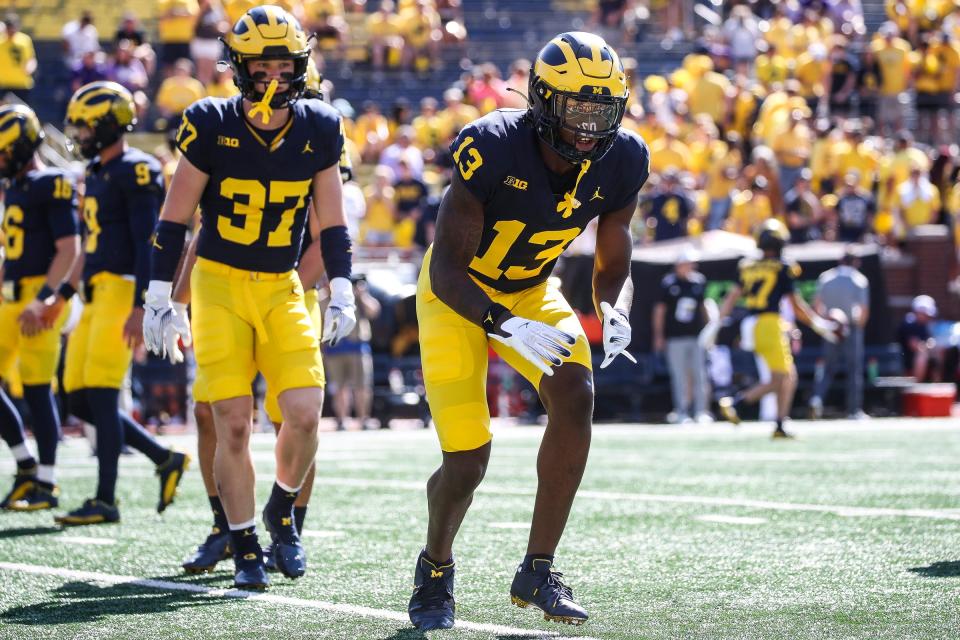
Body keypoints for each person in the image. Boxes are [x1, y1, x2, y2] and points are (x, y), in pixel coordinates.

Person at [408, 32, 648, 630]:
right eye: (576, 111)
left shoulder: (624, 159)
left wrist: (614, 305)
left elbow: (612, 261)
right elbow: (447, 270)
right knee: (467, 461)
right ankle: (435, 567)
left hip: (530, 287)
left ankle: (537, 569)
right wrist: (500, 322)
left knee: (576, 392)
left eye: (602, 111)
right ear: (541, 102)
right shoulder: (491, 145)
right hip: (458, 295)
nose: (590, 128)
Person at [141, 6, 355, 590]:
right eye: (262, 66)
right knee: (230, 421)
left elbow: (332, 223)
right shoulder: (210, 122)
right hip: (219, 283)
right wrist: (162, 293)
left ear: (301, 66)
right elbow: (176, 218)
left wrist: (342, 285)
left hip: (284, 283)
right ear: (239, 67)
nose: (274, 78)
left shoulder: (318, 126)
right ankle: (242, 545)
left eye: (284, 66)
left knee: (306, 416)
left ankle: (281, 508)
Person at [57, 81, 190, 525]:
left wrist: (141, 305)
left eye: (86, 125)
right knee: (75, 398)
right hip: (95, 294)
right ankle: (163, 457)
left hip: (121, 290)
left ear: (111, 124)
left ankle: (105, 499)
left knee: (100, 393)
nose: (79, 134)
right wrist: (64, 294)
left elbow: (146, 242)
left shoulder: (137, 169)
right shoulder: (97, 171)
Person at [0, 105, 80, 511]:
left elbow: (70, 248)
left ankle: (46, 483)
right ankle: (26, 464)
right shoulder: (16, 185)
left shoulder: (53, 182)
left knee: (35, 389)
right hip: (12, 295)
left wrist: (47, 296)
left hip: (40, 296)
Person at [701, 219, 839, 438]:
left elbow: (732, 297)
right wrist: (817, 324)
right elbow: (797, 305)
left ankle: (779, 423)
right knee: (783, 378)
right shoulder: (783, 267)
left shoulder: (747, 265)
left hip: (751, 324)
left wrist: (717, 323)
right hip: (769, 323)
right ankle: (737, 403)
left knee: (788, 376)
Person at [809, 249, 870, 419]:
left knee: (827, 369)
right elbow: (863, 311)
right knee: (854, 370)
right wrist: (857, 327)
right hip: (851, 328)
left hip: (831, 328)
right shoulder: (859, 281)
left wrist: (826, 323)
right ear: (856, 262)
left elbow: (816, 305)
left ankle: (817, 399)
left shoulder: (826, 278)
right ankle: (854, 410)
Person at [652, 247, 710, 424]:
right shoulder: (669, 283)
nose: (690, 267)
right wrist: (658, 336)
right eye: (686, 263)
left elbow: (703, 307)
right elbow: (660, 311)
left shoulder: (698, 282)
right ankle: (682, 411)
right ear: (679, 265)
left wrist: (709, 332)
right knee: (679, 375)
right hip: (675, 337)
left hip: (696, 336)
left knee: (699, 374)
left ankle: (701, 411)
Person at [323, 275, 381, 430]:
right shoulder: (325, 299)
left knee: (362, 386)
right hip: (334, 348)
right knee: (338, 387)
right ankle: (341, 420)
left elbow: (374, 312)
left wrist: (362, 295)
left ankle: (364, 419)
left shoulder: (358, 298)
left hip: (357, 348)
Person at [898, 295, 939, 381]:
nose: (928, 317)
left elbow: (930, 341)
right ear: (918, 311)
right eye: (925, 314)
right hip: (904, 358)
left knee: (938, 352)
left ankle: (937, 385)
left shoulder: (924, 325)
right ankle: (916, 386)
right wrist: (927, 346)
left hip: (915, 356)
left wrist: (929, 346)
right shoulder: (909, 323)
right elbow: (915, 346)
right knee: (922, 354)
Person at [0, 14, 36, 103]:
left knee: (22, 112)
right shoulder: (1, 41)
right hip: (4, 84)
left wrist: (30, 67)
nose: (11, 32)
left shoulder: (25, 40)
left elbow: (31, 59)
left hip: (22, 84)